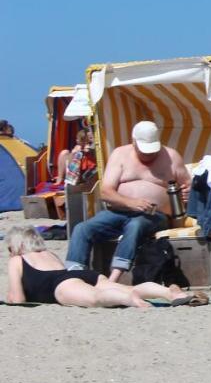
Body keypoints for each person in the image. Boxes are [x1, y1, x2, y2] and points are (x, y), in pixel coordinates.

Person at [65, 121, 190, 283]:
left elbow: (188, 185)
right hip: (119, 211)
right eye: (144, 150)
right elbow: (106, 192)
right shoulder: (120, 155)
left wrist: (188, 192)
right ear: (133, 142)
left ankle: (113, 279)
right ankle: (74, 276)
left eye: (152, 150)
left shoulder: (171, 157)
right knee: (82, 228)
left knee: (135, 225)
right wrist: (131, 203)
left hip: (155, 215)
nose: (149, 155)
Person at [7, 224, 201, 308]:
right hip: (83, 275)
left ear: (18, 245)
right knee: (130, 287)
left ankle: (130, 300)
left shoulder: (16, 260)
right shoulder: (49, 254)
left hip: (60, 286)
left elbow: (18, 299)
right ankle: (171, 293)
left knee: (95, 298)